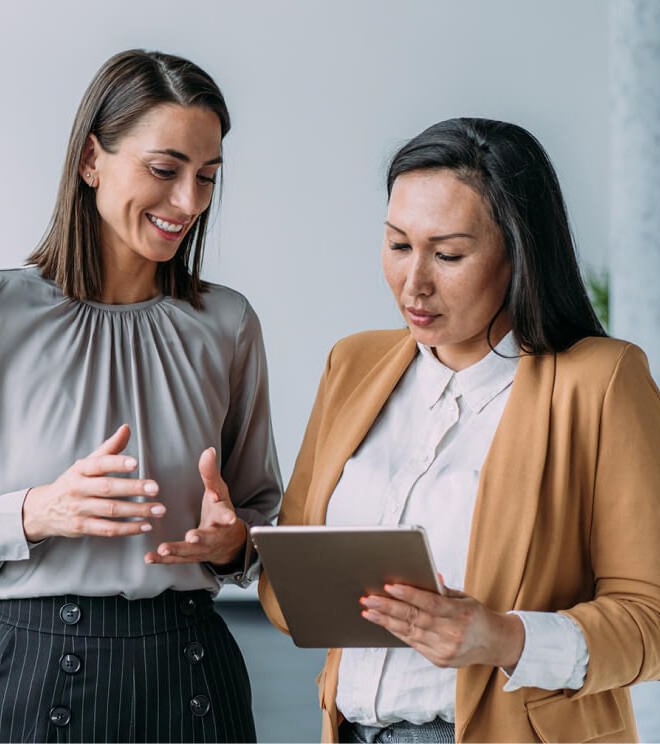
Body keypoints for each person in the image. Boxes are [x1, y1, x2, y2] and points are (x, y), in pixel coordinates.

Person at [0, 49, 282, 743]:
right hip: (38, 671)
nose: (189, 202)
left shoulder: (228, 324)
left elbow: (261, 519)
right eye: (164, 170)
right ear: (91, 159)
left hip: (195, 673)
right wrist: (36, 511)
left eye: (207, 177)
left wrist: (234, 543)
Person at [259, 118, 660, 742]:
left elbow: (650, 618)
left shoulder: (600, 382)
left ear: (519, 254)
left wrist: (505, 638)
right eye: (398, 245)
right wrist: (235, 549)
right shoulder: (352, 364)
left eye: (448, 255)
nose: (413, 282)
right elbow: (290, 598)